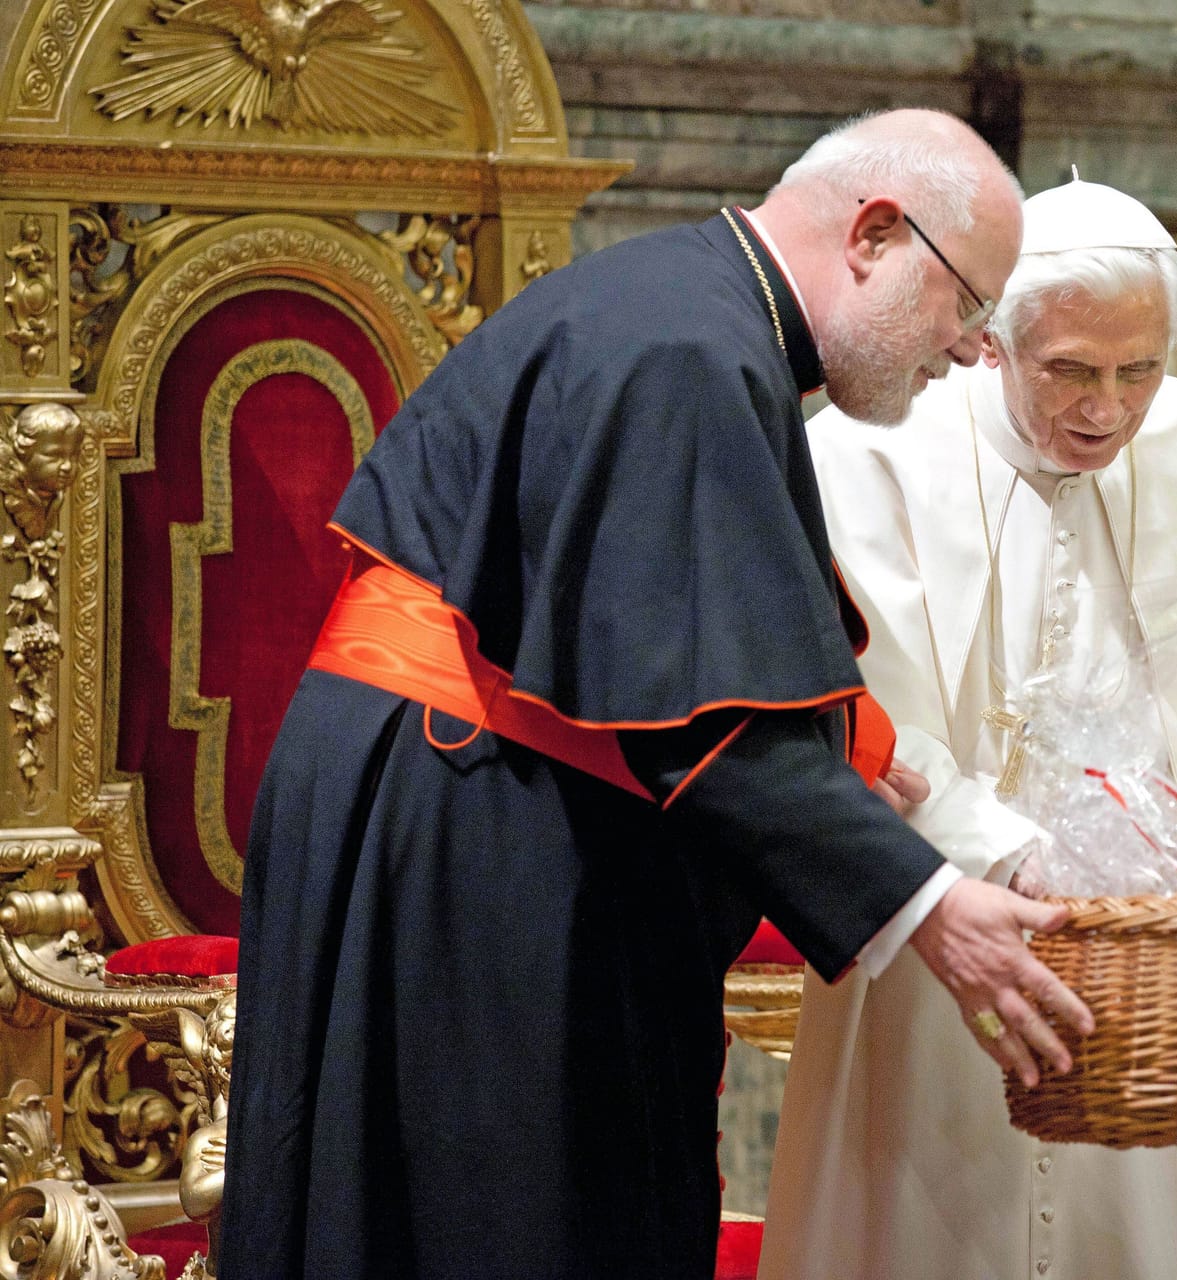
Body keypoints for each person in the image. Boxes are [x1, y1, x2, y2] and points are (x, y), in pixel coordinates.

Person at [222, 109, 1095, 1280]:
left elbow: (661, 669)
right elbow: (712, 729)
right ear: (877, 234)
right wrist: (930, 906)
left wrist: (844, 770)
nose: (972, 348)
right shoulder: (690, 349)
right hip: (464, 828)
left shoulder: (688, 315)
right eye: (968, 304)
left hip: (460, 802)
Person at [761, 178, 1177, 1280]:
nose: (1108, 406)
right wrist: (1007, 855)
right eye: (1071, 370)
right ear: (991, 341)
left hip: (1153, 971)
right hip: (943, 943)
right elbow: (868, 721)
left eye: (1140, 369)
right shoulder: (867, 455)